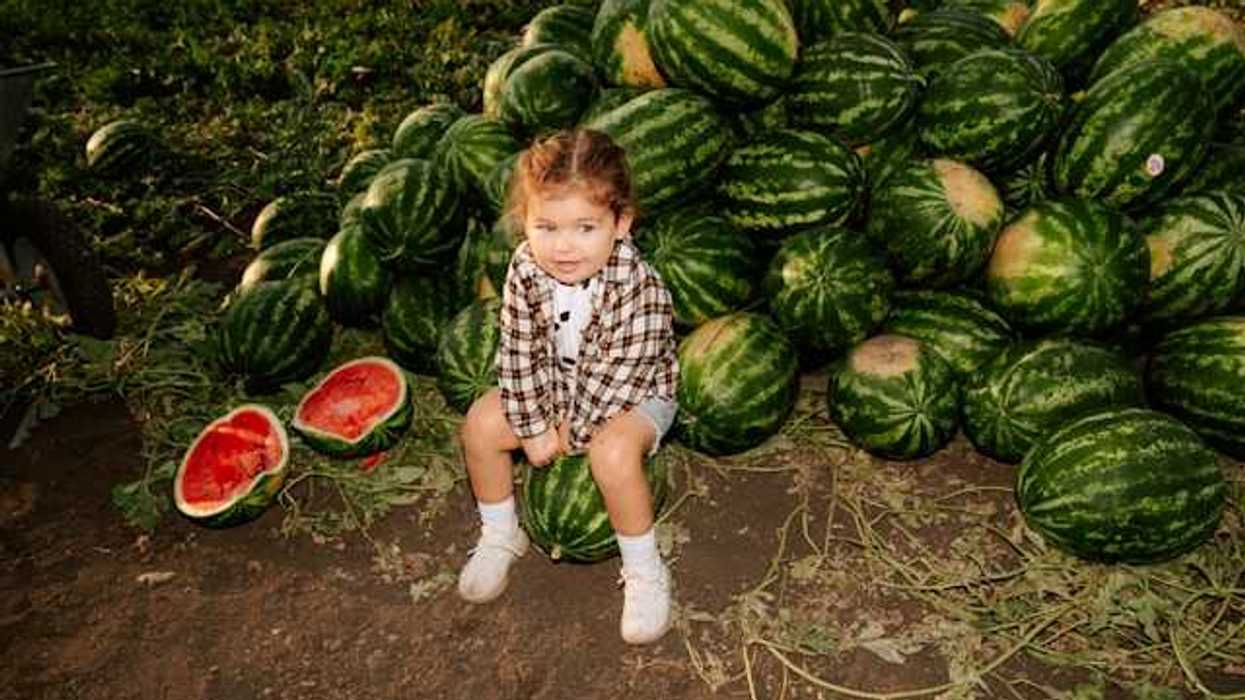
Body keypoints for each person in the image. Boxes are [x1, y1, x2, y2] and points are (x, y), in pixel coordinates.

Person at [456, 128, 679, 645]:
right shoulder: (524, 271)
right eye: (546, 226)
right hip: (560, 382)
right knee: (481, 426)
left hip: (637, 392)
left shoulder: (637, 286)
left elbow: (618, 379)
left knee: (613, 454)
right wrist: (534, 425)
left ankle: (645, 571)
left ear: (621, 224)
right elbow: (518, 351)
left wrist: (568, 431)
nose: (563, 245)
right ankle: (499, 533)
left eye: (584, 227)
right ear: (525, 223)